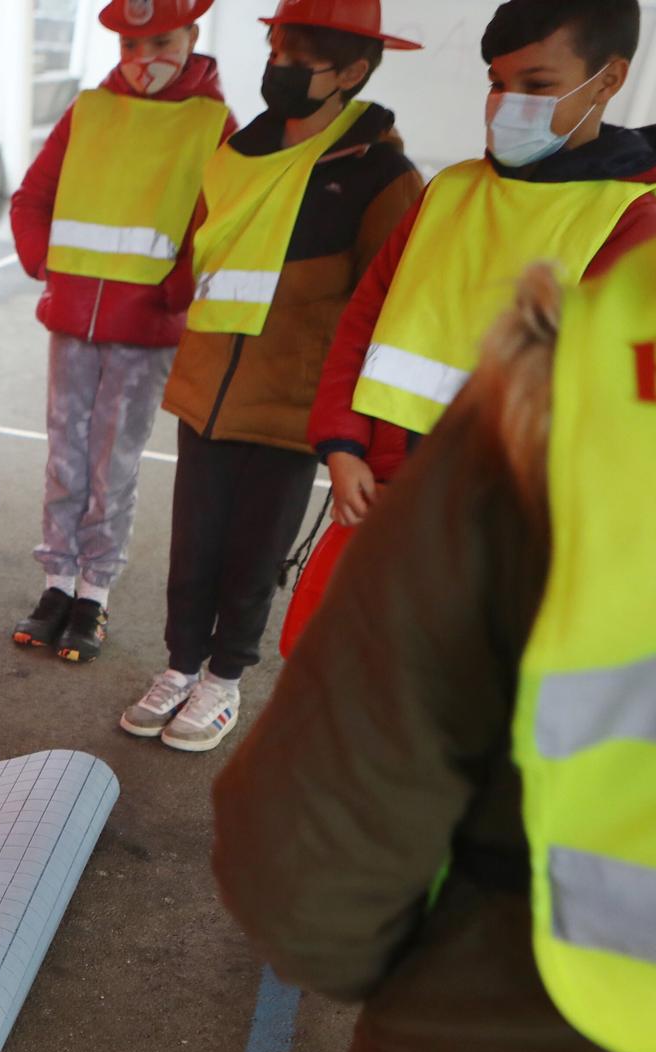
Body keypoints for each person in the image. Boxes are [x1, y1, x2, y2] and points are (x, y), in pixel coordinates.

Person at [212, 149, 656, 1052]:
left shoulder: (593, 373)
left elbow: (307, 869)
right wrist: (343, 436)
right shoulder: (464, 210)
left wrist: (425, 972)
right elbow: (367, 315)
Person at [120, 0, 423, 752]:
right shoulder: (237, 151)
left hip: (293, 405)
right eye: (276, 52)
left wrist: (353, 425)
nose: (277, 71)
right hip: (208, 390)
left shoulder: (381, 175)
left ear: (352, 71)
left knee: (255, 553)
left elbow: (380, 304)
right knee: (193, 547)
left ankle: (224, 678)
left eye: (297, 59)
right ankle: (180, 664)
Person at [310, 0, 656, 530]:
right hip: (377, 483)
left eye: (536, 86)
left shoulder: (629, 221)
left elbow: (599, 397)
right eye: (497, 83)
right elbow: (365, 318)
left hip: (495, 517)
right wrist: (343, 443)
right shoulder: (449, 189)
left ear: (608, 81)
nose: (507, 105)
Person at [8, 0, 235, 664]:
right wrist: (46, 263)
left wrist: (176, 291)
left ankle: (94, 591)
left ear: (192, 36)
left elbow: (221, 219)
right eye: (130, 46)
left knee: (114, 462)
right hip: (73, 320)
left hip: (146, 331)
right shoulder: (90, 110)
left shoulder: (213, 123)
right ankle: (56, 584)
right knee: (65, 453)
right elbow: (33, 197)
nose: (142, 61)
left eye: (160, 41)